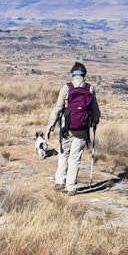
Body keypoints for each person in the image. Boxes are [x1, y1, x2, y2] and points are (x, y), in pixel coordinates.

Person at [46, 61, 100, 194]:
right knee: (75, 157)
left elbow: (58, 109)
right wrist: (95, 122)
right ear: (84, 75)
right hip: (82, 128)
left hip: (66, 128)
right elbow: (96, 111)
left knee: (63, 153)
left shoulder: (66, 88)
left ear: (72, 74)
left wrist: (49, 127)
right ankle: (71, 187)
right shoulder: (90, 89)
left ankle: (59, 182)